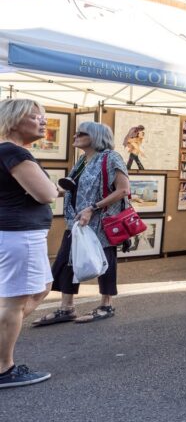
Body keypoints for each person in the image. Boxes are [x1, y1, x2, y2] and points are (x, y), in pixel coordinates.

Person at [34, 121, 129, 329]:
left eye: (81, 133)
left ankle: (106, 304)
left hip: (100, 220)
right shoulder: (82, 161)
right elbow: (72, 189)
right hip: (77, 220)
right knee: (67, 258)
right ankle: (66, 307)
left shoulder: (111, 157)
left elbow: (123, 190)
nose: (75, 136)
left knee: (104, 260)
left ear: (95, 137)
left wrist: (92, 208)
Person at [0, 99, 58, 388]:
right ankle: (3, 369)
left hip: (17, 233)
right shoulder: (13, 152)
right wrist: (53, 188)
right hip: (18, 235)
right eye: (36, 117)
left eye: (43, 117)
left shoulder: (10, 153)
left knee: (42, 287)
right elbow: (46, 195)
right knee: (14, 301)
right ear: (13, 121)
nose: (42, 121)